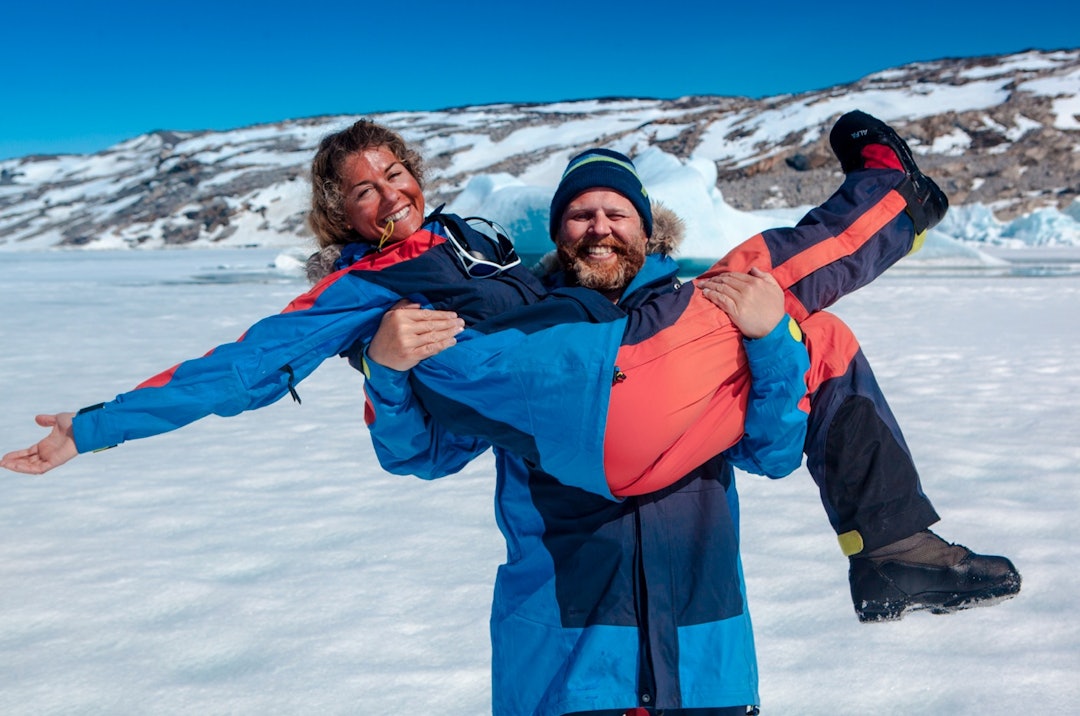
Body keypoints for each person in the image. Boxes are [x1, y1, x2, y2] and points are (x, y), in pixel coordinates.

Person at [359, 113, 1021, 713]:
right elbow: (420, 451)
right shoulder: (524, 338)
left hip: (708, 666)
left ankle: (891, 548)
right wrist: (384, 369)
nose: (600, 227)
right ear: (559, 235)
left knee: (814, 334)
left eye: (617, 214)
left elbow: (772, 449)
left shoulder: (708, 321)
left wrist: (767, 343)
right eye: (581, 215)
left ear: (648, 230)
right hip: (566, 672)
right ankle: (893, 199)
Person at [0, 120, 808, 497]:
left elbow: (608, 258)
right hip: (566, 441)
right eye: (363, 189)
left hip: (634, 382)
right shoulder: (359, 289)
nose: (390, 194)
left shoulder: (469, 234)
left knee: (803, 309)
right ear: (339, 213)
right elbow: (239, 369)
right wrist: (97, 426)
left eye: (394, 173)